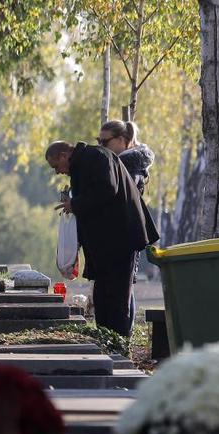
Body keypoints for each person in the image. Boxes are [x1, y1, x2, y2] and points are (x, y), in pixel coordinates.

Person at [46, 139, 159, 338]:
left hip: (121, 239)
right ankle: (106, 338)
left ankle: (119, 343)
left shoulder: (97, 157)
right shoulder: (83, 164)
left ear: (64, 155)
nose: (57, 172)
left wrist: (76, 204)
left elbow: (107, 189)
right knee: (102, 295)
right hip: (105, 244)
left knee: (117, 297)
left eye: (56, 166)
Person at [98, 120, 155, 195]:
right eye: (99, 141)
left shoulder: (131, 169)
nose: (100, 146)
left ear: (120, 140)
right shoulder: (125, 166)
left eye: (105, 142)